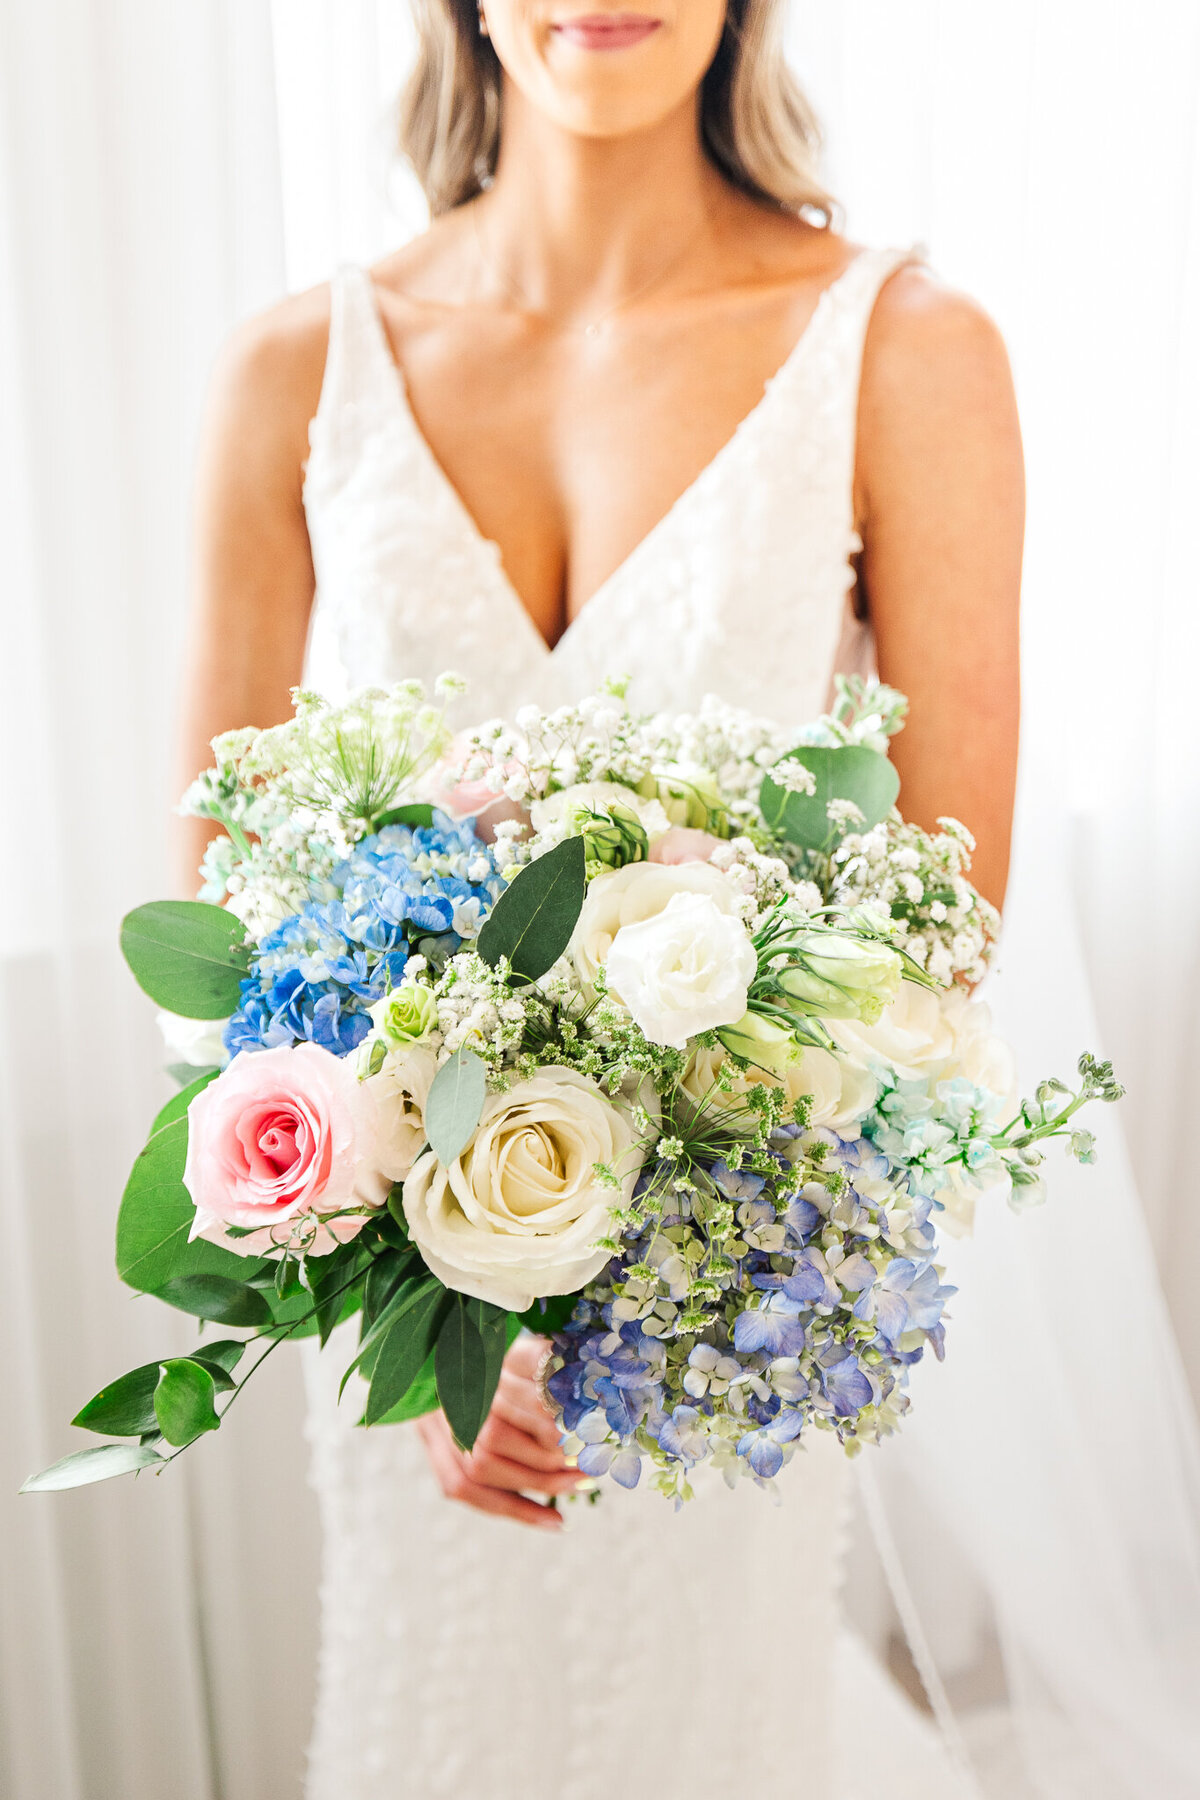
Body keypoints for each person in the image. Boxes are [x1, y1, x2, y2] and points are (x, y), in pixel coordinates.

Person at [177, 3, 1031, 1794]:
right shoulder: (294, 368)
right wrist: (425, 1293)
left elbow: (940, 929)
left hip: (730, 1315)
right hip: (409, 1332)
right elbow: (219, 905)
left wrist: (639, 1287)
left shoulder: (907, 347)